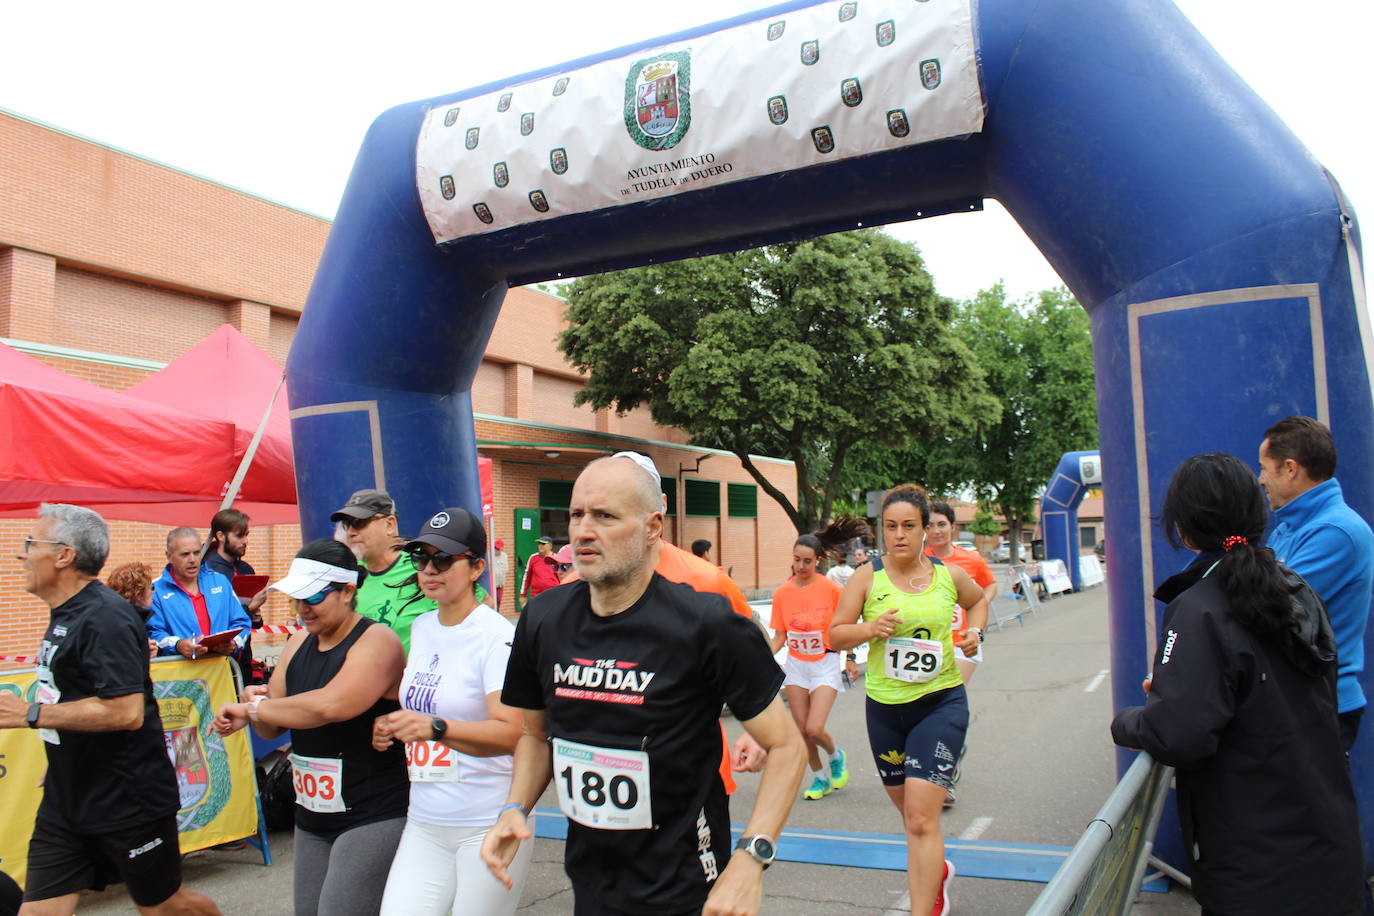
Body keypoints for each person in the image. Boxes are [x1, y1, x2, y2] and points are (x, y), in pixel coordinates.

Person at [480, 454, 806, 915]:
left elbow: (788, 747)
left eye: (605, 516)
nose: (583, 531)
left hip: (685, 881)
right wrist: (515, 808)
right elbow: (536, 735)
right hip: (590, 877)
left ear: (653, 526)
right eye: (576, 515)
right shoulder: (543, 618)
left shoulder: (705, 623)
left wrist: (752, 859)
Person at [1111, 453, 1364, 915]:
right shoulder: (1294, 587)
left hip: (1256, 866)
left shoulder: (1198, 605)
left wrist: (1127, 722)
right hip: (1327, 846)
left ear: (1182, 529)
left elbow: (1178, 734)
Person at [0, 504, 220, 915]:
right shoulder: (67, 613)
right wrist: (67, 747)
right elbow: (74, 693)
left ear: (64, 555)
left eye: (32, 544)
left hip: (128, 801)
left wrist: (28, 714)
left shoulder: (105, 618)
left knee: (165, 906)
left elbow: (126, 712)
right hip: (67, 802)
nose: (21, 553)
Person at [214, 539, 408, 916]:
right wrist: (254, 707)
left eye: (314, 598)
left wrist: (257, 709)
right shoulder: (299, 640)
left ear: (348, 591)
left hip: (372, 811)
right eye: (297, 599)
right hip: (312, 814)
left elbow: (329, 705)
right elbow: (272, 727)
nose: (303, 608)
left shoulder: (376, 642)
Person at [829, 484, 989, 916]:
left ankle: (924, 908)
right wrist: (868, 629)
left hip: (941, 703)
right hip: (884, 710)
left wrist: (975, 633)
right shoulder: (867, 577)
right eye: (890, 526)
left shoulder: (948, 575)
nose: (898, 535)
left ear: (925, 531)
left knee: (920, 817)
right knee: (911, 817)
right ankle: (936, 869)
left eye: (908, 526)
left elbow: (978, 604)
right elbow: (836, 633)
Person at [373, 508, 529, 916]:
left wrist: (437, 728)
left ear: (477, 567)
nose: (429, 569)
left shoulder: (496, 637)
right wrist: (392, 725)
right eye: (420, 558)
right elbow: (424, 705)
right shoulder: (423, 627)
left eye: (443, 559)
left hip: (486, 819)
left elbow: (514, 732)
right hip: (424, 819)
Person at [1257, 416, 1374, 751]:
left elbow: (1266, 606)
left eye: (1265, 468)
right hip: (1301, 700)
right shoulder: (1293, 527)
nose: (1260, 479)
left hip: (1320, 704)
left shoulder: (1335, 532)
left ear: (1290, 468)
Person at [769, 519, 869, 801]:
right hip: (797, 666)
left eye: (807, 562)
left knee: (814, 728)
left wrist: (850, 658)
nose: (801, 567)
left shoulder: (832, 590)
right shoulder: (782, 594)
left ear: (818, 561)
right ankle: (819, 778)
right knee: (802, 731)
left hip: (825, 663)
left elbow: (847, 626)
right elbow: (779, 637)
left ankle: (836, 756)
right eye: (797, 560)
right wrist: (761, 658)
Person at [331, 488, 436, 655]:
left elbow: (478, 606)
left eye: (359, 522)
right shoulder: (348, 572)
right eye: (347, 524)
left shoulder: (423, 565)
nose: (351, 531)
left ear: (389, 524)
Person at [147, 527, 251, 661]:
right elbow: (153, 633)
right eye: (185, 554)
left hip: (220, 671)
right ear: (169, 556)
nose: (192, 559)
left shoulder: (219, 581)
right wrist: (178, 645)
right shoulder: (156, 590)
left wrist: (234, 643)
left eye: (197, 553)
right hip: (181, 676)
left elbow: (242, 622)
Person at [204, 508, 268, 627]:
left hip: (243, 643)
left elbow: (255, 624)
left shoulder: (246, 569)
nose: (245, 541)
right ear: (221, 536)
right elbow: (213, 618)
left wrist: (255, 614)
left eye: (246, 535)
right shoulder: (206, 570)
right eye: (239, 536)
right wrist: (250, 608)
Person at [107, 562, 159, 658]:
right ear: (138, 594)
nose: (153, 591)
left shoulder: (115, 616)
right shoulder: (125, 623)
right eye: (151, 587)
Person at [519, 536, 560, 602]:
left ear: (550, 546)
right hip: (536, 595)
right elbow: (527, 577)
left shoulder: (557, 558)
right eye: (539, 544)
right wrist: (523, 595)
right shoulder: (533, 558)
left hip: (553, 594)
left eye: (543, 544)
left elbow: (562, 577)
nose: (540, 546)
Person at [491, 539, 510, 610]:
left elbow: (506, 569)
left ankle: (497, 613)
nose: (496, 550)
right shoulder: (491, 556)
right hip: (492, 584)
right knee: (492, 601)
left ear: (502, 548)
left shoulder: (504, 556)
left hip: (500, 584)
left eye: (498, 549)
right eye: (495, 548)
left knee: (498, 600)